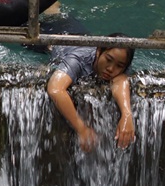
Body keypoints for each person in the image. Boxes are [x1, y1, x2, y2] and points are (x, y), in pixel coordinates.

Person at [45, 19, 136, 152]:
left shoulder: (119, 66)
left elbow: (121, 80)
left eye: (119, 66)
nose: (111, 69)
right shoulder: (78, 59)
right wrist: (81, 128)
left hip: (78, 33)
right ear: (98, 51)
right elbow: (55, 89)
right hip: (53, 41)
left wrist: (127, 115)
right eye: (108, 60)